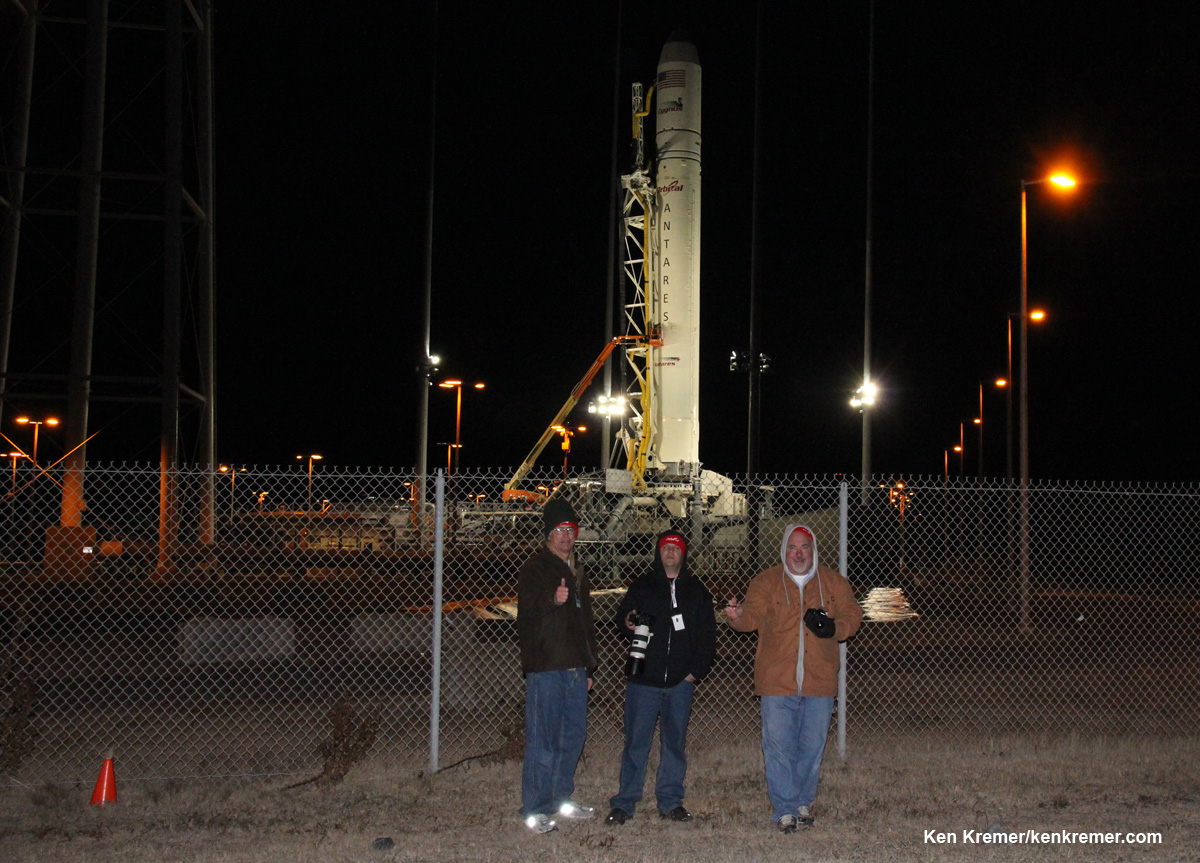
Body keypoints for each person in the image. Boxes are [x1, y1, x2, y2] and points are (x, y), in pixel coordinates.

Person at [725, 523, 862, 834]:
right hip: (777, 680)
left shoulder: (832, 582)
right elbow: (752, 617)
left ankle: (803, 801)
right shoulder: (766, 582)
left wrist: (834, 628)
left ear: (813, 550)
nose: (799, 553)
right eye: (792, 547)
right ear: (784, 549)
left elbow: (853, 614)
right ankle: (784, 808)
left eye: (805, 547)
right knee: (778, 746)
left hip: (819, 680)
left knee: (812, 745)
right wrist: (737, 617)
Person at [605, 530, 716, 826]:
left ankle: (670, 802)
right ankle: (625, 803)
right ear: (658, 552)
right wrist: (628, 622)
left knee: (674, 744)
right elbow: (623, 619)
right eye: (665, 547)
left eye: (675, 548)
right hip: (644, 681)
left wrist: (694, 672)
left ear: (683, 554)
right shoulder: (643, 585)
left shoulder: (696, 591)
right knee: (635, 743)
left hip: (680, 682)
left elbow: (707, 636)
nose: (670, 552)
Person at [515, 498, 599, 834]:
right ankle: (534, 808)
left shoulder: (576, 571)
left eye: (570, 530)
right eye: (559, 530)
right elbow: (527, 611)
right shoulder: (535, 568)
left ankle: (560, 798)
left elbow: (586, 623)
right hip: (547, 666)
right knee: (543, 740)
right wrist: (553, 599)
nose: (565, 536)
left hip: (576, 669)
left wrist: (590, 668)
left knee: (572, 737)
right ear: (549, 534)